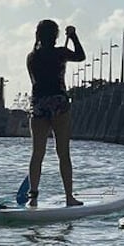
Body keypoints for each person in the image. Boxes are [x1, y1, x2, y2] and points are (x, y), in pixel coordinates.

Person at [26, 19, 86, 207]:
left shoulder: (31, 57)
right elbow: (80, 56)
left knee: (37, 153)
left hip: (39, 104)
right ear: (56, 36)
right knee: (63, 152)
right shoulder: (61, 53)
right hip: (59, 103)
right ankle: (69, 197)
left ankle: (33, 197)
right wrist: (73, 36)